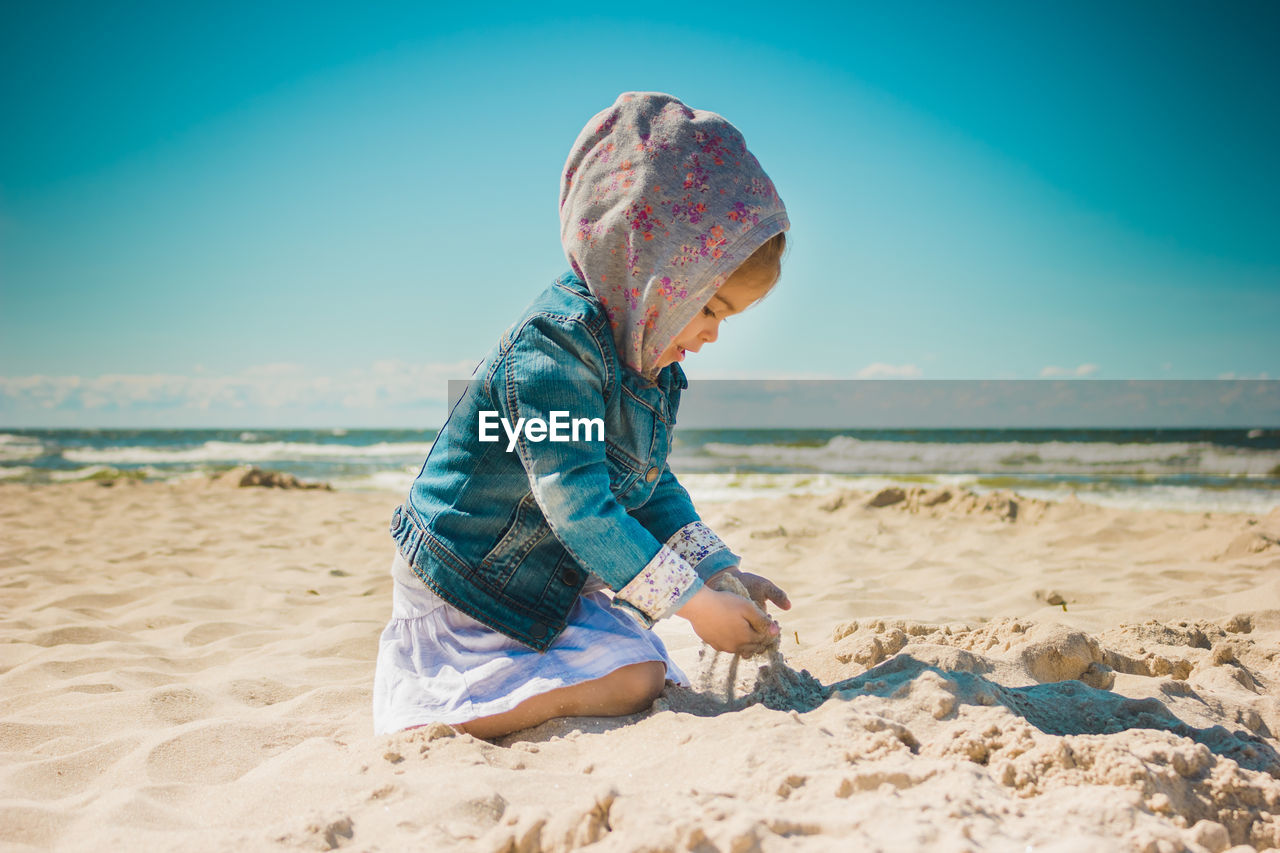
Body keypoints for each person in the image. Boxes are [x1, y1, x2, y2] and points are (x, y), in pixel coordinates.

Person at [373, 92, 792, 739]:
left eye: (725, 319)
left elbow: (651, 489)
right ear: (648, 270)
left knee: (645, 668)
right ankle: (438, 714)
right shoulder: (556, 345)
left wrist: (716, 571)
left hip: (543, 583)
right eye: (708, 309)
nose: (710, 336)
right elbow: (577, 502)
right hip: (469, 582)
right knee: (637, 679)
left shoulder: (652, 367)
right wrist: (692, 602)